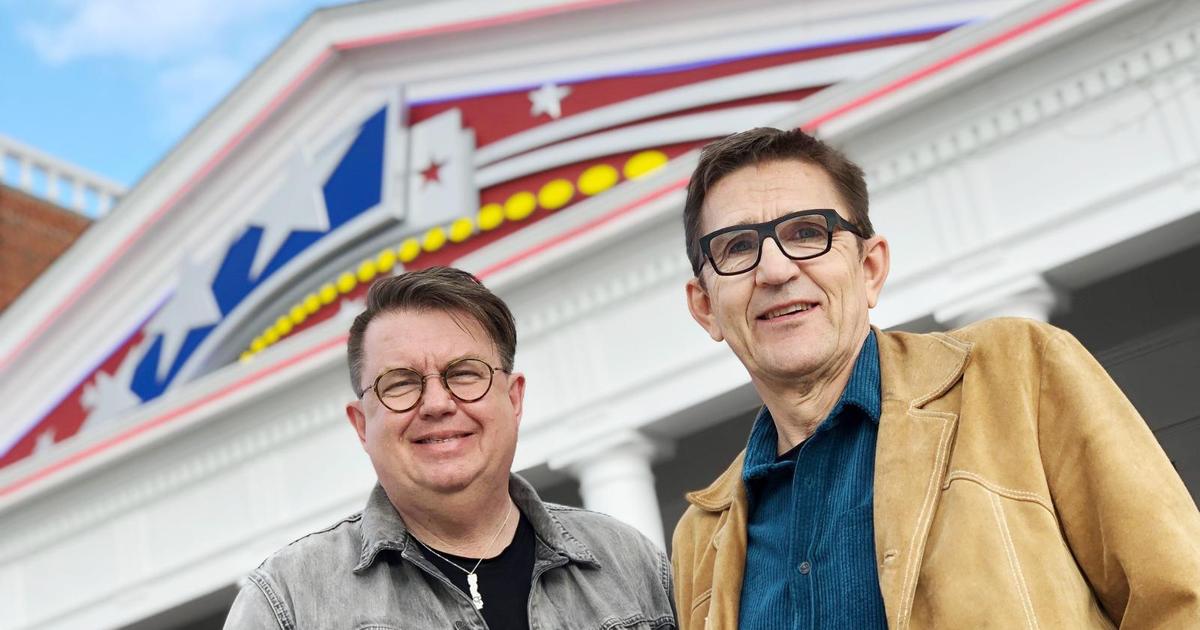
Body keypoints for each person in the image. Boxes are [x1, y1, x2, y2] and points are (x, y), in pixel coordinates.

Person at [671, 127, 1200, 629]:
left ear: (870, 268)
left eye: (808, 232)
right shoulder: (700, 539)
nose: (775, 270)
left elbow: (1181, 601)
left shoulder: (1018, 371)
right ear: (705, 307)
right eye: (737, 247)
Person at [225, 266, 676, 629]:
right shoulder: (288, 601)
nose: (437, 404)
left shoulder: (629, 562)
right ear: (361, 425)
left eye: (464, 374)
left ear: (514, 399)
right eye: (400, 383)